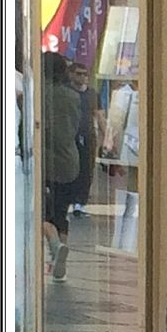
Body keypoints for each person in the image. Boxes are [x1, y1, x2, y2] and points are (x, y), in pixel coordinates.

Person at [41, 52, 80, 280]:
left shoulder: (39, 93)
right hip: (70, 162)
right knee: (60, 212)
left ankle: (55, 246)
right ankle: (59, 259)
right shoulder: (73, 96)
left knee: (41, 213)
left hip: (47, 161)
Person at [67, 60, 101, 217]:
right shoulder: (66, 92)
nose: (82, 78)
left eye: (85, 74)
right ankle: (70, 199)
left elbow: (99, 115)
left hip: (88, 136)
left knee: (87, 169)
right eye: (78, 74)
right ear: (71, 74)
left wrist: (106, 137)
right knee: (71, 168)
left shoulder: (92, 94)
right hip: (70, 136)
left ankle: (80, 203)